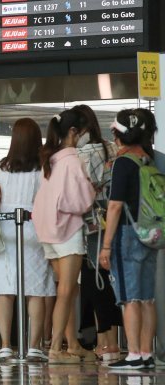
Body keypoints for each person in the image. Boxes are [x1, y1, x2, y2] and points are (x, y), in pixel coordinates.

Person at [0, 119, 56, 362]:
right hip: (34, 228)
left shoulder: (2, 166)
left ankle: (5, 345)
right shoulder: (44, 166)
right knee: (36, 290)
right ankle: (33, 346)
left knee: (5, 289)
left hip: (6, 228)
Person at [32, 109, 96, 364]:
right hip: (67, 231)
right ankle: (57, 348)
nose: (84, 137)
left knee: (67, 290)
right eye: (83, 132)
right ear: (73, 132)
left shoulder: (51, 159)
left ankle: (73, 345)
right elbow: (81, 201)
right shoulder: (72, 161)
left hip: (48, 231)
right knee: (67, 290)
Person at [100, 109, 159, 370]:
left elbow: (114, 207)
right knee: (147, 298)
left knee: (130, 298)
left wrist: (106, 245)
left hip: (127, 235)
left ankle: (134, 354)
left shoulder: (123, 163)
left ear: (118, 135)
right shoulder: (151, 160)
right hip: (150, 235)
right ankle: (146, 353)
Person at [72, 104, 122, 362]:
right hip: (113, 221)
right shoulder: (109, 147)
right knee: (109, 281)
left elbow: (84, 192)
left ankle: (106, 343)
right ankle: (111, 340)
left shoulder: (84, 152)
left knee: (95, 283)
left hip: (92, 225)